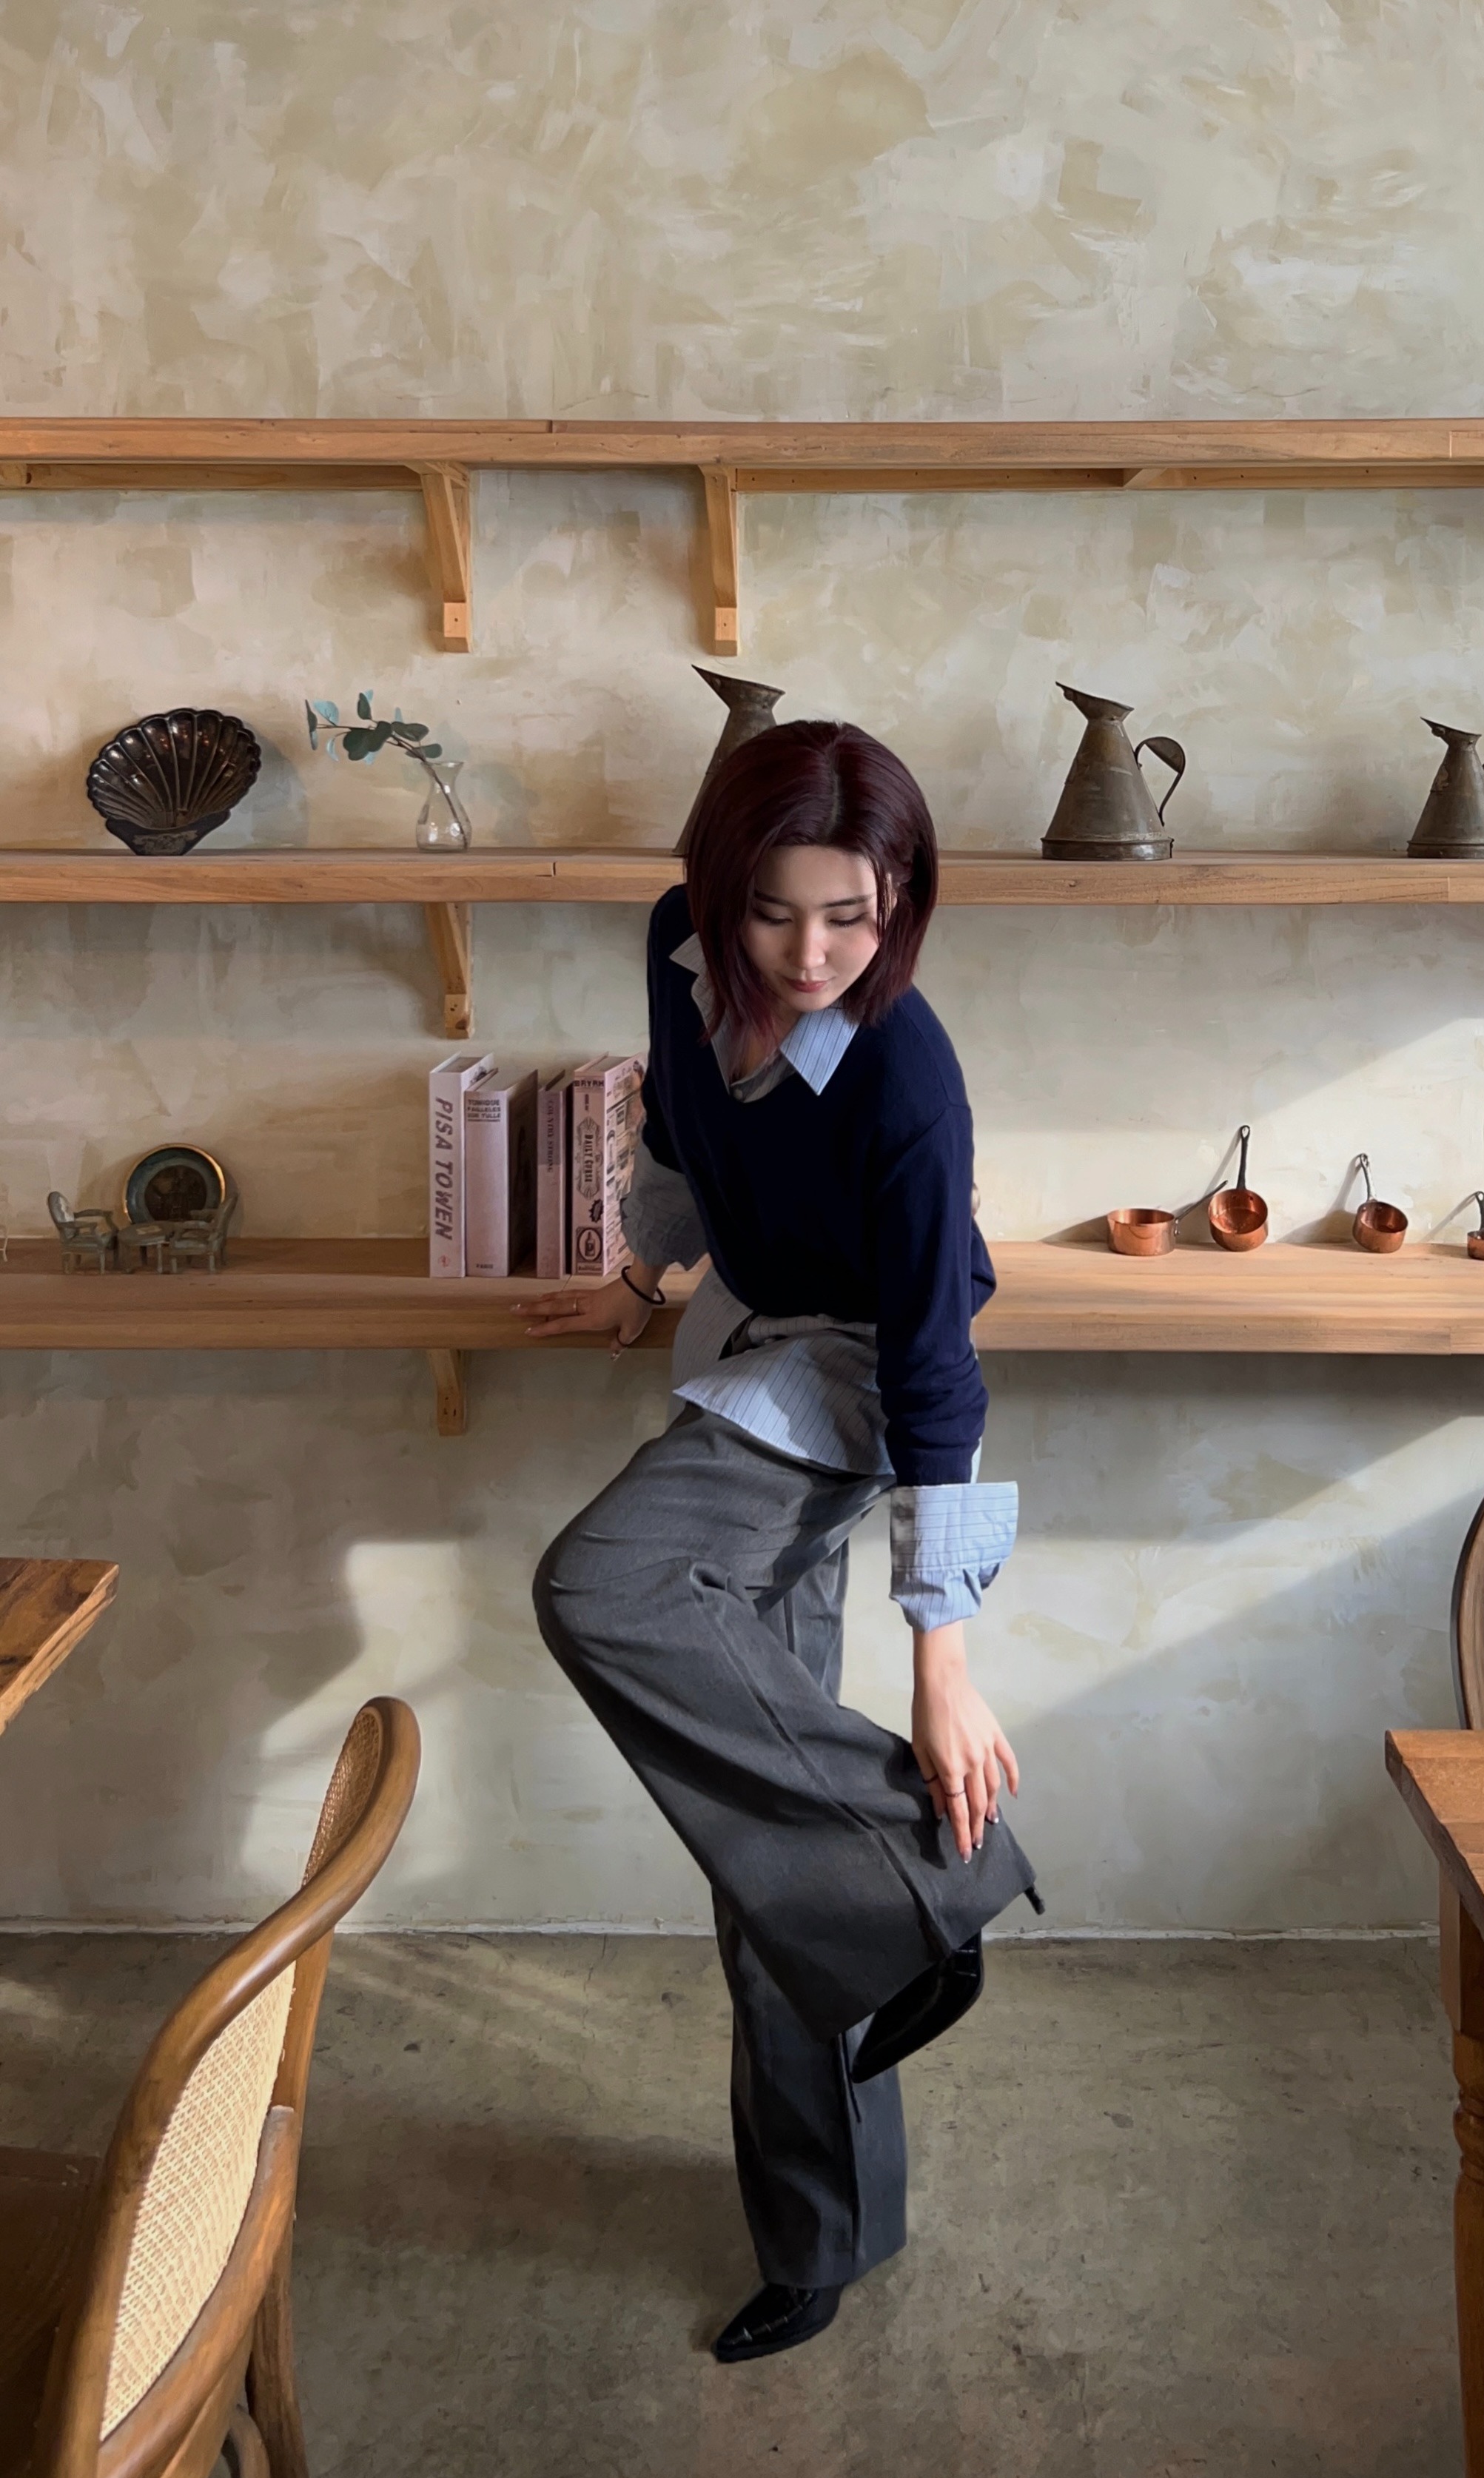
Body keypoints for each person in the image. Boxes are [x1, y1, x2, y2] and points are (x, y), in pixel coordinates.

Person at [525, 718, 1040, 2365]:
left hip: (853, 1371)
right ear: (713, 893)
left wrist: (942, 1662)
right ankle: (825, 2234)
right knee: (777, 1867)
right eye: (772, 912)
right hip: (744, 1332)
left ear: (900, 904)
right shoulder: (678, 948)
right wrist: (643, 1279)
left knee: (600, 1584)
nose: (810, 955)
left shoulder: (906, 1079)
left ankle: (926, 1871)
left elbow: (935, 1365)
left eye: (851, 917)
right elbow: (681, 1134)